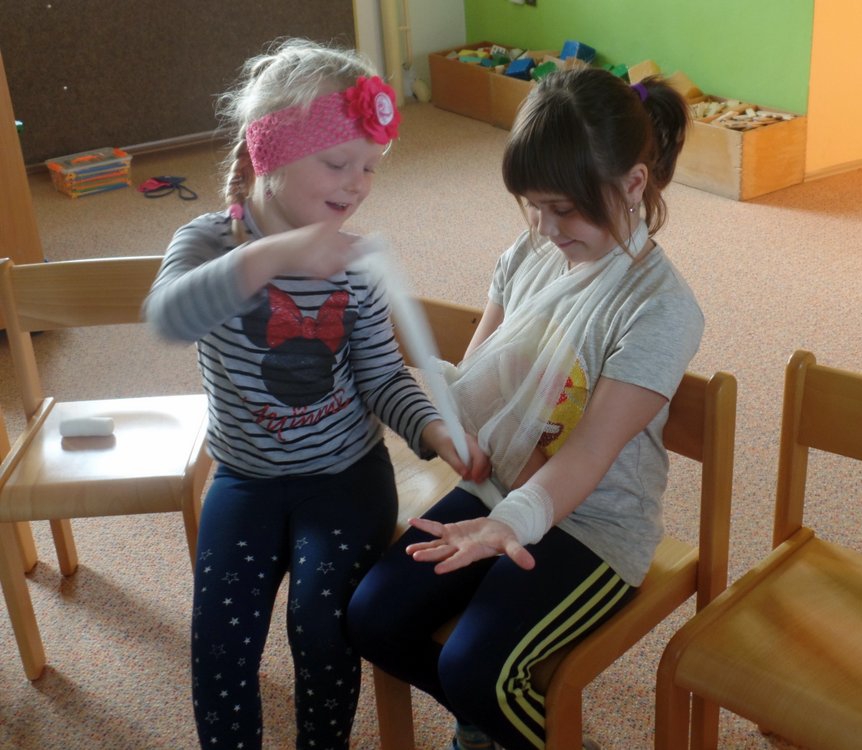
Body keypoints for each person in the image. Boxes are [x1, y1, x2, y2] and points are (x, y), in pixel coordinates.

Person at [142, 37, 488, 750]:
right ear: (268, 154)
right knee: (219, 643)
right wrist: (275, 254)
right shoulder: (207, 244)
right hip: (245, 477)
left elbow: (383, 376)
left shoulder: (353, 266)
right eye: (337, 163)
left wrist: (434, 432)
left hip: (345, 479)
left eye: (370, 167)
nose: (356, 184)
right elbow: (169, 317)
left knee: (322, 627)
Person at [347, 67, 704, 750]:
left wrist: (505, 524)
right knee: (371, 619)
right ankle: (493, 729)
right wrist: (445, 424)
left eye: (563, 208)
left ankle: (509, 726)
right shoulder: (531, 253)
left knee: (476, 670)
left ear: (634, 184)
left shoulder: (659, 310)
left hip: (593, 528)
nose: (545, 226)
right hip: (499, 487)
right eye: (533, 206)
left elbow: (590, 454)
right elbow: (480, 377)